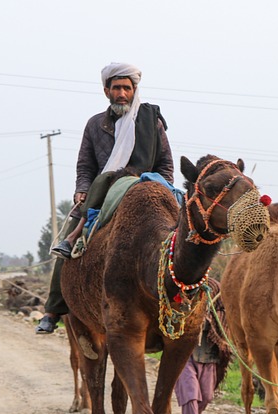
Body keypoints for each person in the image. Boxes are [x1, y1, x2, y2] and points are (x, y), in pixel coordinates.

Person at [36, 62, 174, 334]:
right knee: (68, 246)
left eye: (127, 88)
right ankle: (53, 309)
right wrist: (82, 189)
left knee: (183, 236)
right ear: (106, 91)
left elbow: (166, 166)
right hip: (103, 192)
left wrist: (158, 188)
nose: (122, 93)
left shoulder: (152, 122)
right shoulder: (94, 125)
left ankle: (190, 308)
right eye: (116, 88)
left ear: (134, 90)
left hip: (145, 190)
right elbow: (85, 167)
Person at [173, 280, 231, 414]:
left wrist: (209, 319)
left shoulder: (215, 288)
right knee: (190, 394)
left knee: (206, 396)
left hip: (208, 353)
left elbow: (224, 312)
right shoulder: (181, 286)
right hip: (184, 354)